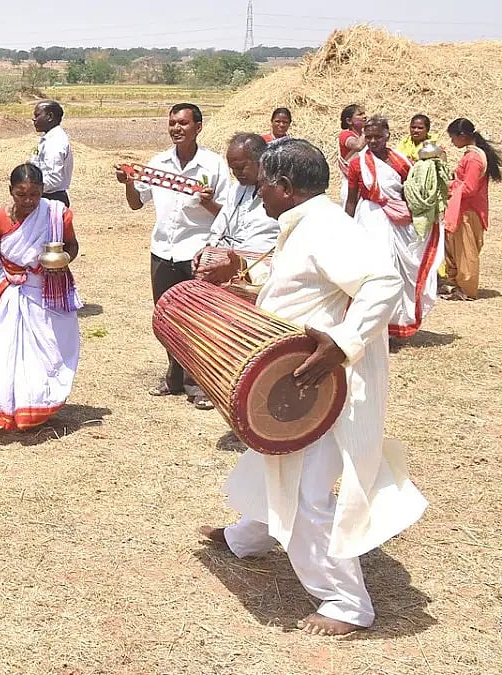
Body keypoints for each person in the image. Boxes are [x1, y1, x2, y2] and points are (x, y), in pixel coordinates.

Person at [198, 138, 426, 637]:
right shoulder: (303, 225)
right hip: (298, 378)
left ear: (283, 185)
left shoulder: (325, 228)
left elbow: (382, 282)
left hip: (323, 385)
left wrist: (342, 344)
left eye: (263, 184)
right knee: (271, 459)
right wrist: (248, 290)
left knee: (305, 489)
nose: (258, 193)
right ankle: (250, 536)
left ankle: (345, 603)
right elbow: (305, 292)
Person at [116, 102, 229, 410]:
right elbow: (137, 203)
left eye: (183, 123)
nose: (176, 128)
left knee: (199, 319)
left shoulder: (214, 165)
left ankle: (200, 383)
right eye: (172, 123)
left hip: (197, 253)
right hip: (163, 251)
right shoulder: (158, 163)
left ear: (198, 127)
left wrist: (207, 204)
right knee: (167, 317)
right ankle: (174, 376)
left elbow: (226, 216)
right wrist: (128, 184)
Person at [0, 163, 80, 432]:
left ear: (43, 191)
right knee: (7, 351)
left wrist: (57, 260)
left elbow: (72, 246)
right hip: (11, 293)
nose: (28, 201)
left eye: (34, 194)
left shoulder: (56, 215)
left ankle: (39, 405)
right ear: (11, 191)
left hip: (47, 292)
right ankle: (5, 407)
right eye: (21, 195)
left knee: (49, 349)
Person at [345, 116, 440, 340]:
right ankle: (372, 328)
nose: (373, 141)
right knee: (377, 270)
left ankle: (392, 326)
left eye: (378, 136)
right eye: (368, 137)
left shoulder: (401, 161)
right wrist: (345, 228)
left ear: (388, 135)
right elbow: (351, 199)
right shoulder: (358, 163)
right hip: (370, 218)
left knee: (397, 272)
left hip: (398, 222)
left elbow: (412, 190)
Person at [442, 118, 500, 301]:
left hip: (469, 210)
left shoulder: (474, 158)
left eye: (453, 138)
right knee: (456, 248)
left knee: (466, 251)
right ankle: (457, 284)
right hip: (463, 208)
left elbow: (469, 188)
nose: (452, 142)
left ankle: (466, 289)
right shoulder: (471, 155)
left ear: (463, 136)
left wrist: (447, 186)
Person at [203, 134, 279, 255]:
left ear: (262, 161)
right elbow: (219, 229)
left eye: (240, 167)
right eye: (232, 168)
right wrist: (209, 251)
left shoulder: (280, 194)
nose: (236, 173)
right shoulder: (236, 189)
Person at [30, 100, 74, 206]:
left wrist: (29, 189)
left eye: (37, 115)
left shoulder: (55, 142)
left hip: (51, 199)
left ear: (49, 117)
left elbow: (53, 179)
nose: (34, 119)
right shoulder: (48, 139)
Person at [337, 104, 367, 205]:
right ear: (349, 121)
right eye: (360, 114)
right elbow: (358, 146)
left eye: (364, 114)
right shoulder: (345, 135)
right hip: (350, 186)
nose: (364, 117)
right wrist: (366, 131)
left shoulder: (366, 137)